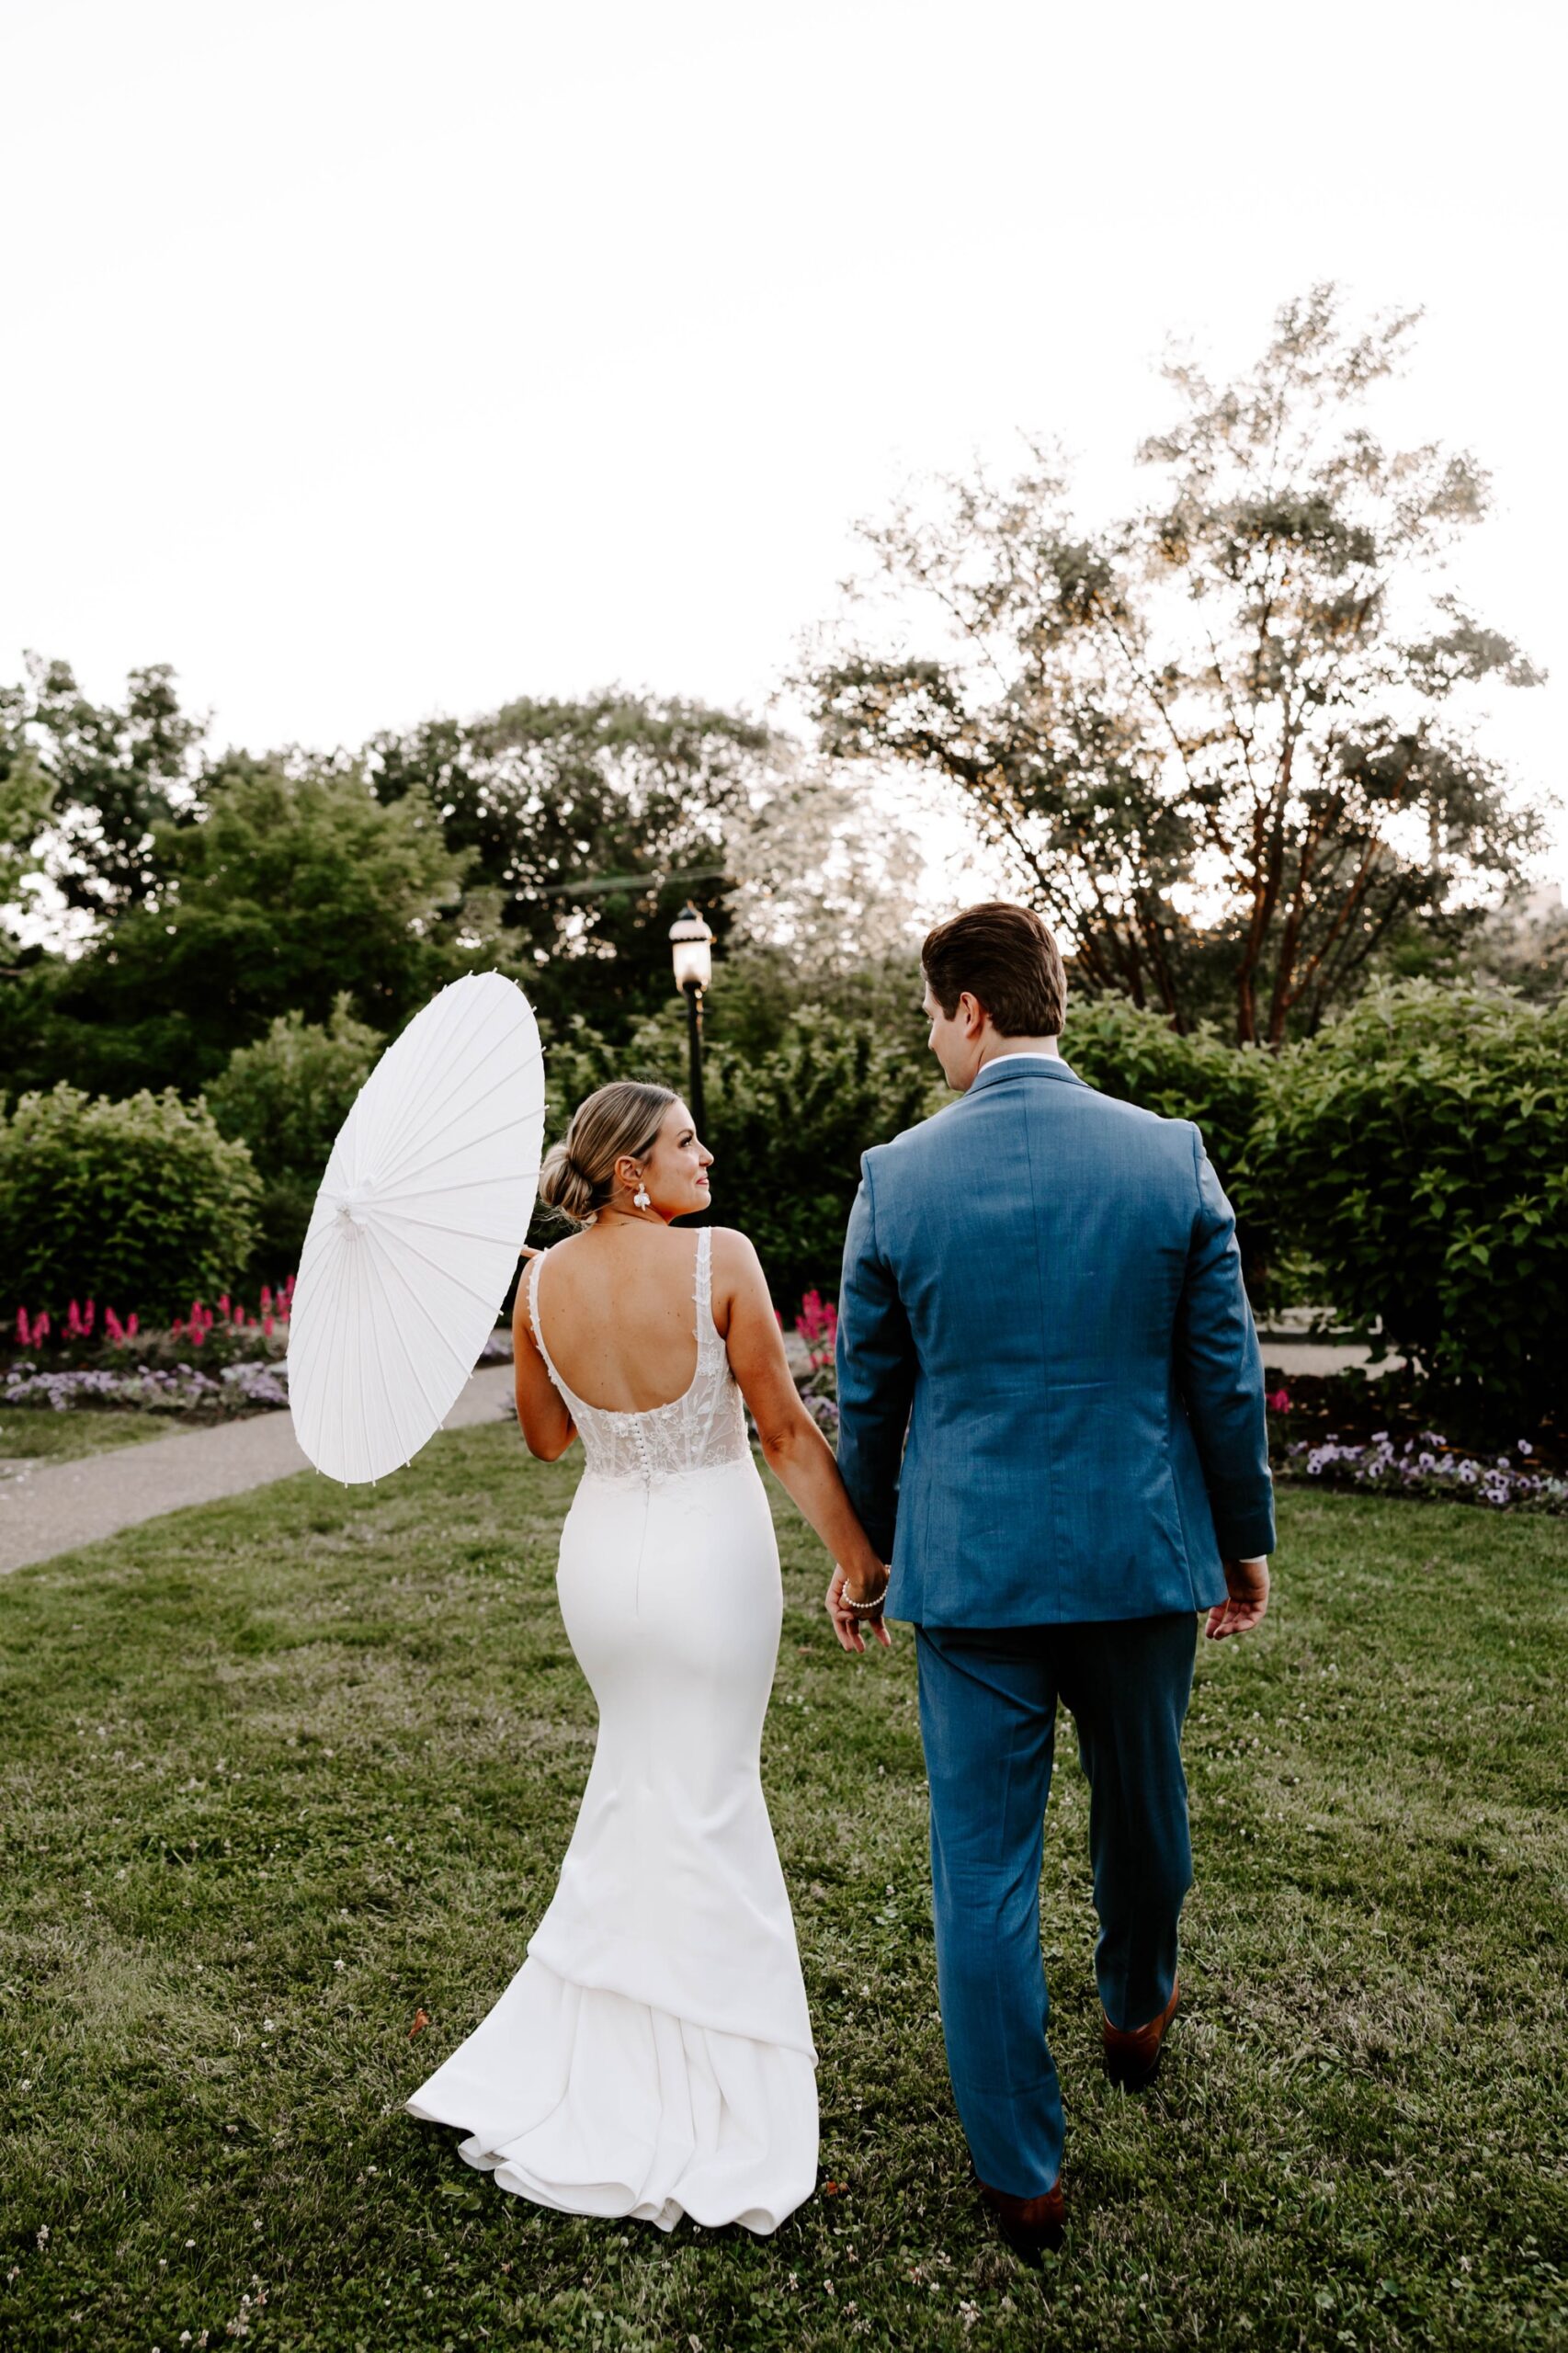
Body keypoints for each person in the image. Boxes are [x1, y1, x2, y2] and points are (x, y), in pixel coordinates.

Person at [830, 901, 1275, 2264]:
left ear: (967, 1008)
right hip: (1143, 1555)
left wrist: (867, 1548)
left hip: (967, 1577)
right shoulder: (1166, 1156)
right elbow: (1223, 1373)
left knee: (981, 1870)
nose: (929, 1039)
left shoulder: (897, 1177)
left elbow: (867, 1394)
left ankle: (1020, 2172)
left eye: (928, 1015)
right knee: (1144, 1805)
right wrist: (1240, 1537)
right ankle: (1135, 2008)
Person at [406, 1079, 889, 2234]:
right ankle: (722, 2093)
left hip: (602, 1565)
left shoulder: (539, 1279)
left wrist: (541, 1300)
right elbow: (780, 1430)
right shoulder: (719, 1258)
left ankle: (609, 2050)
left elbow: (544, 1438)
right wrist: (864, 1564)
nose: (704, 1153)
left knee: (640, 1787)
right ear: (631, 1169)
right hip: (707, 1562)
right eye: (683, 1141)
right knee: (710, 1798)